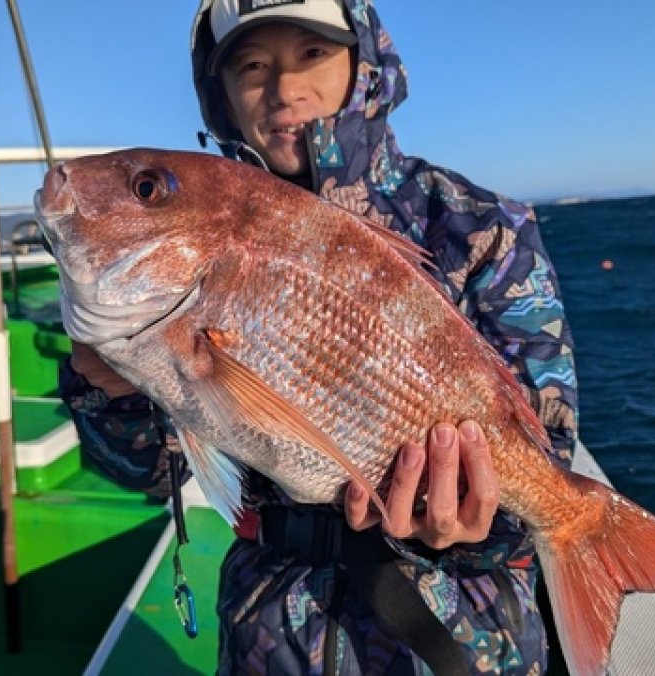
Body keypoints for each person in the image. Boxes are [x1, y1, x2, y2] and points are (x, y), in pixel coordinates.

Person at [59, 0, 578, 673]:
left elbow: (546, 449)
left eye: (312, 53)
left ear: (364, 63)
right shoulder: (162, 283)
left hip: (457, 636)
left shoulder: (478, 225)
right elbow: (150, 472)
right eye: (251, 66)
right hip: (269, 629)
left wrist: (471, 527)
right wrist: (110, 393)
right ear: (220, 94)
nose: (283, 90)